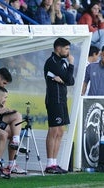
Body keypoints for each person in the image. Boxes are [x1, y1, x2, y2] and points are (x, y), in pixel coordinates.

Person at [44, 37, 75, 174]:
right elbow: (68, 78)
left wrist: (63, 80)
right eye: (66, 48)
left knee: (60, 131)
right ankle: (49, 163)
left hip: (62, 99)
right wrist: (71, 65)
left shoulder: (62, 62)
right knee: (54, 130)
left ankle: (54, 163)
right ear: (58, 48)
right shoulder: (51, 62)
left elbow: (71, 81)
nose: (68, 52)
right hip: (54, 99)